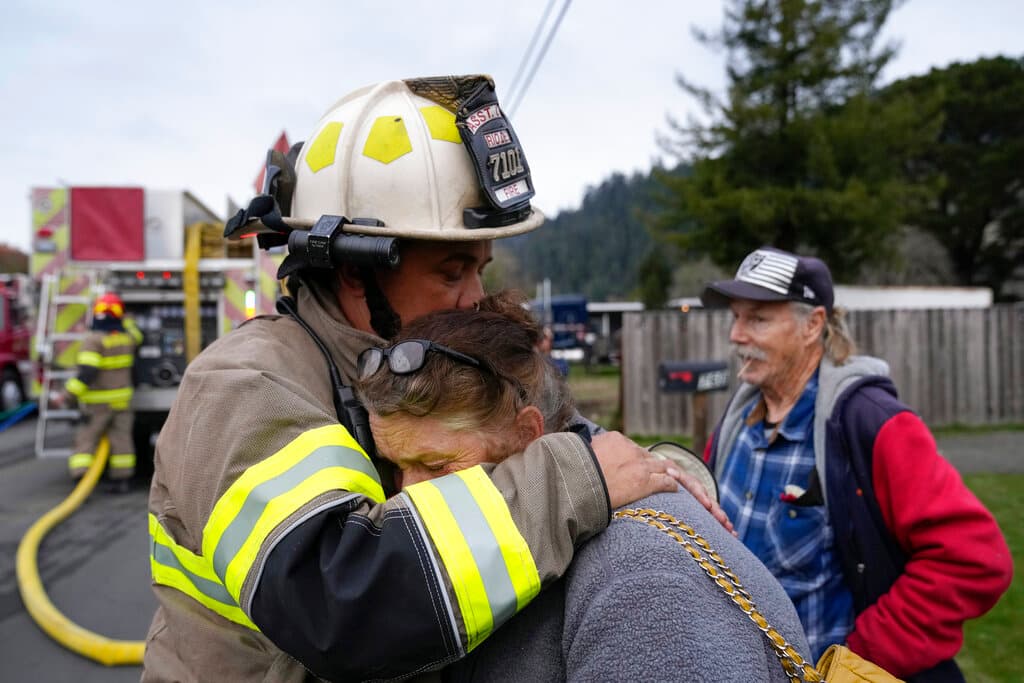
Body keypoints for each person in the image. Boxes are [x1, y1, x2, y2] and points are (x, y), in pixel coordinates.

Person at [143, 75, 723, 682]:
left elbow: (582, 446)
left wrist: (654, 468)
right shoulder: (246, 384)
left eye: (480, 269)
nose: (475, 298)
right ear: (355, 271)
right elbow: (342, 606)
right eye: (452, 272)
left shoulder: (452, 360)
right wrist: (577, 479)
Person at [356, 291, 812, 682]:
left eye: (435, 465)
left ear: (527, 434)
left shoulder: (642, 582)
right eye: (397, 467)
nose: (406, 497)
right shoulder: (523, 541)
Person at [700, 246, 1013, 682]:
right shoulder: (739, 416)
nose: (736, 334)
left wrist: (860, 660)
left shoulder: (871, 422)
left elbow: (975, 559)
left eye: (757, 318)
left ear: (812, 325)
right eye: (735, 317)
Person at [62, 292, 141, 485]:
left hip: (98, 405)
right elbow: (138, 336)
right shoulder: (126, 339)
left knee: (86, 439)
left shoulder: (93, 340)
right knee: (121, 440)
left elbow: (87, 373)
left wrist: (69, 395)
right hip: (122, 402)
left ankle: (82, 478)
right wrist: (128, 322)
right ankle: (122, 480)